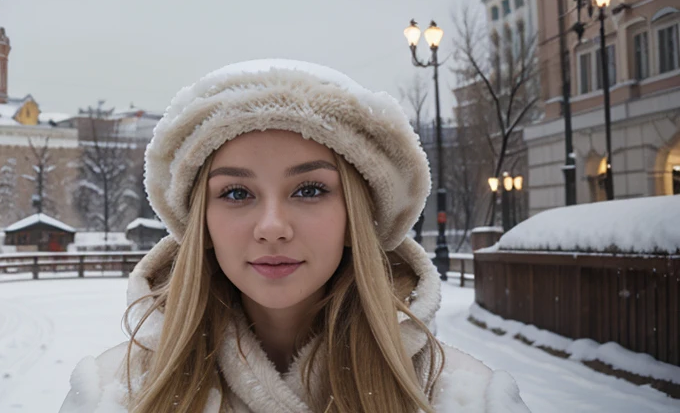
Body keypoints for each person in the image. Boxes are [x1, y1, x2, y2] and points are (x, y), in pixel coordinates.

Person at [61, 59, 530, 413]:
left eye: (309, 189)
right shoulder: (110, 395)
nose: (271, 228)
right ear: (201, 224)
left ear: (356, 217)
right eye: (237, 192)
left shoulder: (468, 399)